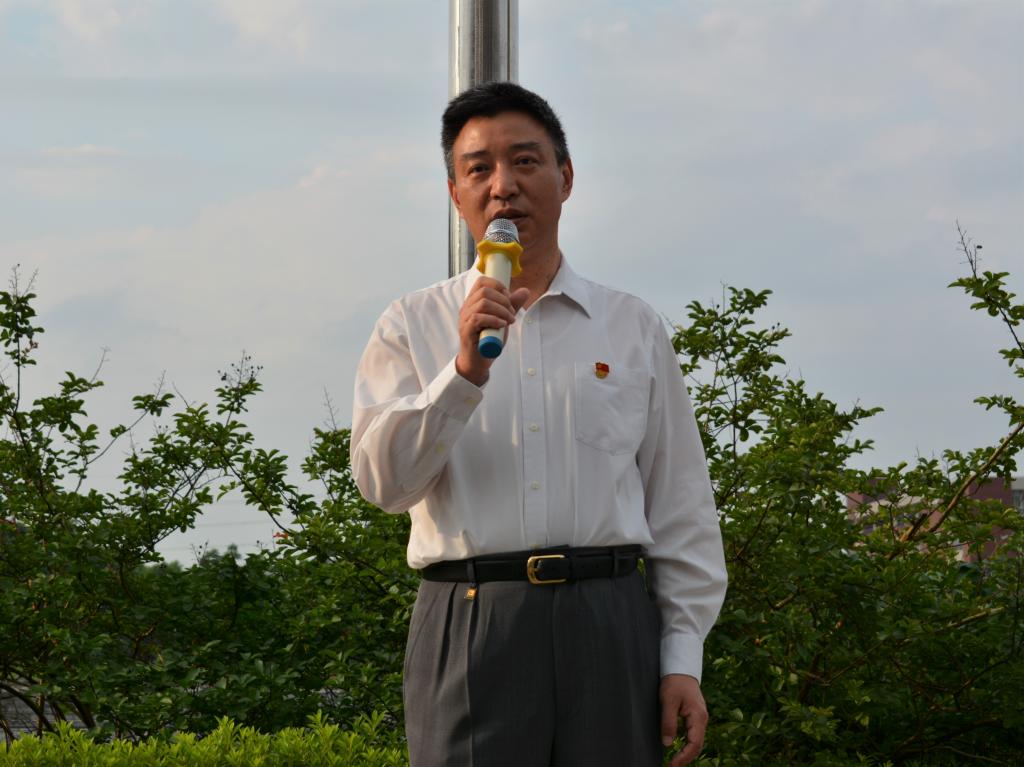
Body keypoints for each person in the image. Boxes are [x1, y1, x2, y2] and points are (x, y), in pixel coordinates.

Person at [351, 81, 727, 767]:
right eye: (479, 169)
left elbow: (681, 505)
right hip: (470, 618)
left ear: (566, 177)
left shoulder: (632, 326)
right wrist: (463, 371)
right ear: (455, 194)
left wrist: (682, 656)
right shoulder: (410, 324)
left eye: (525, 161)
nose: (503, 186)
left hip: (610, 620)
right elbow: (384, 484)